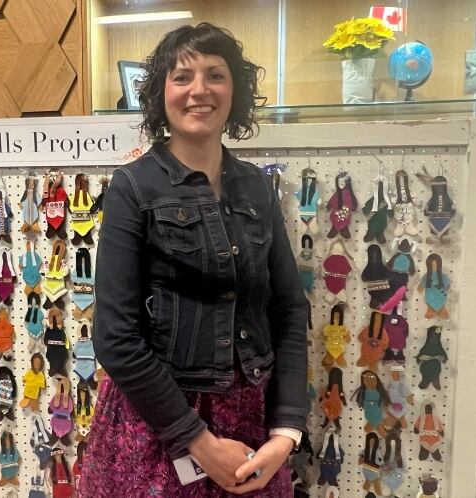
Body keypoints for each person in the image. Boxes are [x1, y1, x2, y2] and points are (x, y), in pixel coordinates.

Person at [79, 23, 308, 497]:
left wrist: (286, 432)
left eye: (215, 75)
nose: (199, 90)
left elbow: (288, 310)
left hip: (252, 427)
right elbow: (116, 338)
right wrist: (198, 442)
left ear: (235, 91)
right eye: (182, 76)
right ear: (161, 92)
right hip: (160, 424)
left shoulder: (255, 188)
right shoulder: (134, 187)